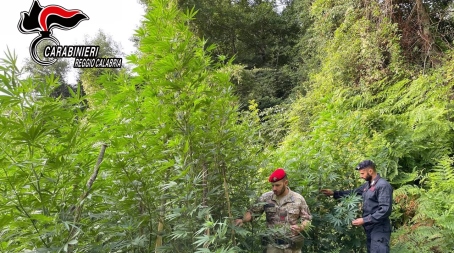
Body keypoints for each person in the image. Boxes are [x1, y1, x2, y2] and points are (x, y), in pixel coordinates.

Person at [320, 160, 393, 253]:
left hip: (380, 228)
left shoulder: (382, 186)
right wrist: (334, 193)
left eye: (362, 173)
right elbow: (353, 192)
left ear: (370, 171)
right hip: (370, 228)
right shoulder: (368, 185)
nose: (361, 176)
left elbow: (385, 210)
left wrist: (364, 220)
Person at [235, 168, 312, 253]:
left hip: (292, 247)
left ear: (285, 183)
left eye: (277, 185)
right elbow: (252, 213)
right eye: (272, 185)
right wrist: (242, 219)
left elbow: (307, 219)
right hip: (272, 247)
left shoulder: (298, 199)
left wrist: (300, 227)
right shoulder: (266, 198)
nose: (274, 188)